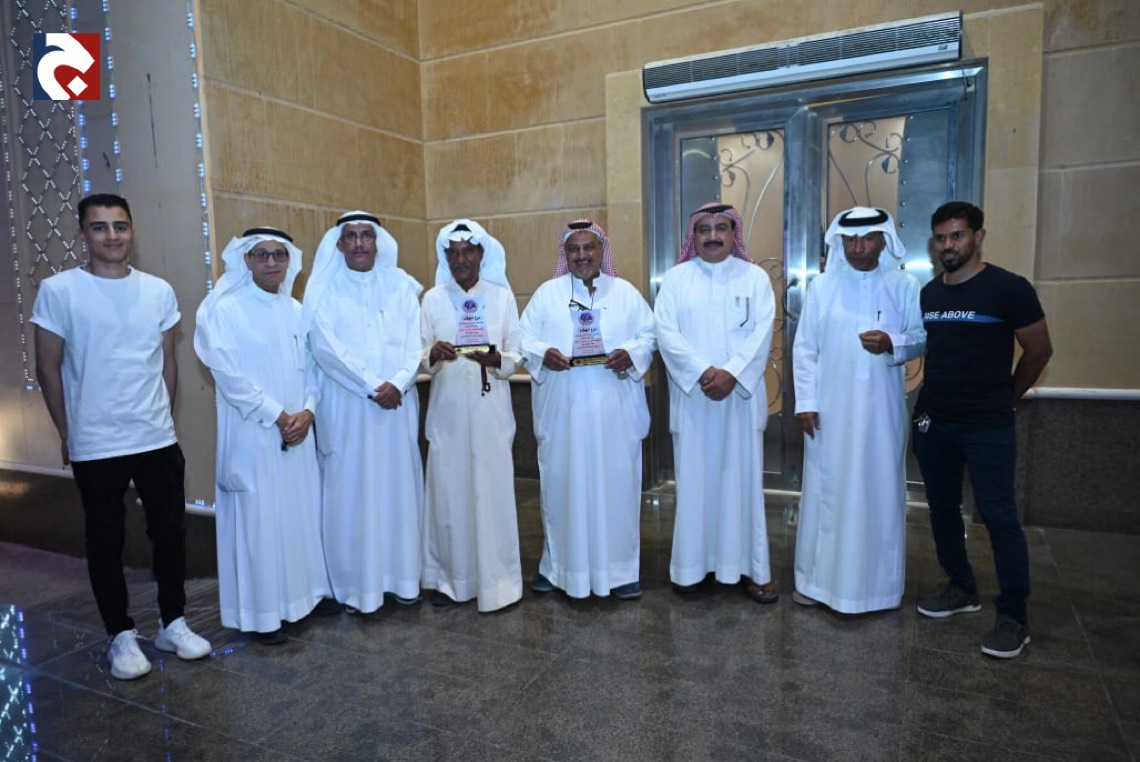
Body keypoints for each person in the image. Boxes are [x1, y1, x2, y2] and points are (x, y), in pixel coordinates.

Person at [31, 193, 211, 680]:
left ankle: (173, 623)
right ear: (82, 233)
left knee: (170, 533)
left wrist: (163, 420)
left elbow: (167, 361)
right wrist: (67, 432)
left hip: (155, 437)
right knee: (106, 539)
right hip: (96, 441)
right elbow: (47, 368)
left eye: (120, 226)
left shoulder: (158, 291)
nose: (112, 235)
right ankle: (121, 634)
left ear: (132, 230)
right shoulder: (59, 291)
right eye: (100, 227)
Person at [913, 201, 1052, 659]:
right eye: (941, 238)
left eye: (957, 235)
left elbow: (1039, 350)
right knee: (942, 507)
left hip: (987, 425)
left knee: (998, 517)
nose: (948, 245)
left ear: (979, 236)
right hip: (935, 422)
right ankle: (961, 587)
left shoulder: (1008, 289)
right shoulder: (930, 294)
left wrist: (1008, 398)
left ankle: (1014, 616)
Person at [194, 226, 338, 645]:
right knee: (260, 523)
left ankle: (307, 597)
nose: (272, 262)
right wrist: (278, 415)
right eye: (262, 255)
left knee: (300, 515)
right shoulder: (222, 310)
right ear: (246, 260)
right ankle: (264, 616)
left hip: (297, 433)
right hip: (254, 435)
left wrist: (308, 411)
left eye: (279, 254)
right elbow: (229, 377)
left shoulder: (296, 310)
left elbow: (314, 369)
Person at [791, 207, 926, 613]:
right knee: (827, 492)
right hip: (829, 412)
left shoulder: (905, 285)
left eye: (867, 238)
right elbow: (805, 348)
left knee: (879, 492)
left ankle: (877, 589)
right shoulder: (821, 287)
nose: (858, 247)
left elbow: (921, 337)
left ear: (884, 240)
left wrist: (892, 342)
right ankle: (816, 583)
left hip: (882, 413)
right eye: (850, 240)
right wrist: (806, 402)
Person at [518, 219, 656, 600]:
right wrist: (543, 353)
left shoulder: (625, 293)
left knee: (617, 490)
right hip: (563, 416)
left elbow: (649, 335)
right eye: (574, 249)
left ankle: (621, 572)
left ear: (601, 251)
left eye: (589, 247)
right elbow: (522, 338)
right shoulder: (546, 295)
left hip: (614, 416)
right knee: (561, 490)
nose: (582, 255)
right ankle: (559, 569)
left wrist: (631, 353)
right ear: (565, 254)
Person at [654, 202, 777, 603]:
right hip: (695, 401)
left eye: (720, 228)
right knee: (695, 485)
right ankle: (691, 569)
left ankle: (752, 569)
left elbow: (763, 332)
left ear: (733, 233)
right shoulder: (675, 279)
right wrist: (704, 372)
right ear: (693, 235)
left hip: (739, 400)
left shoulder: (755, 278)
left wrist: (733, 374)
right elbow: (665, 333)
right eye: (703, 229)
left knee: (744, 486)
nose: (712, 236)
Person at [303, 211, 424, 614]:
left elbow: (416, 344)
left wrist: (399, 382)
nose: (358, 243)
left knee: (398, 492)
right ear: (339, 244)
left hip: (396, 409)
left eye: (366, 236)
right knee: (352, 495)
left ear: (377, 242)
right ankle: (356, 587)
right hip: (348, 409)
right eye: (351, 237)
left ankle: (403, 580)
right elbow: (326, 349)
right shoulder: (324, 291)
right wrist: (374, 386)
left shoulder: (401, 286)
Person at [420, 219, 523, 611]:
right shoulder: (432, 300)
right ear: (445, 257)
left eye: (468, 251)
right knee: (450, 496)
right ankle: (452, 581)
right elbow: (417, 353)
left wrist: (498, 360)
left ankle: (498, 585)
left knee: (491, 498)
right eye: (453, 253)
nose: (461, 259)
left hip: (490, 413)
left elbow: (517, 353)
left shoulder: (502, 298)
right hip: (447, 416)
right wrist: (433, 355)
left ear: (482, 254)